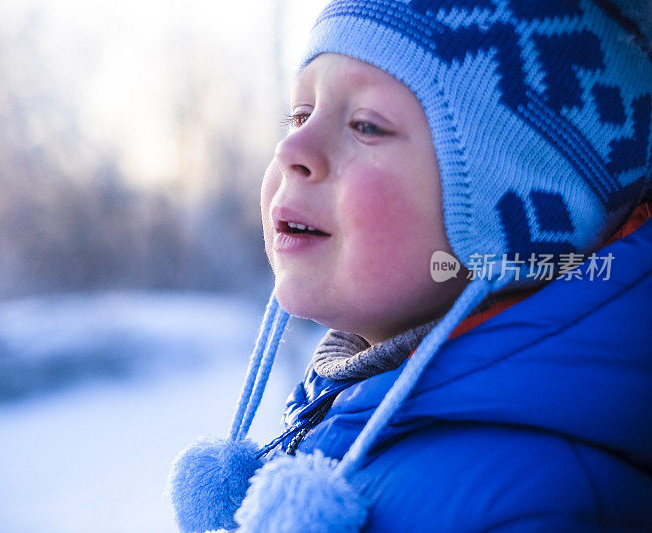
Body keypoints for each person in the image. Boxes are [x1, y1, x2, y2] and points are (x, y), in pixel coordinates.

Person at [168, 1, 652, 531]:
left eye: (366, 125)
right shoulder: (363, 407)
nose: (292, 148)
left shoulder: (530, 503)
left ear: (520, 213)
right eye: (301, 115)